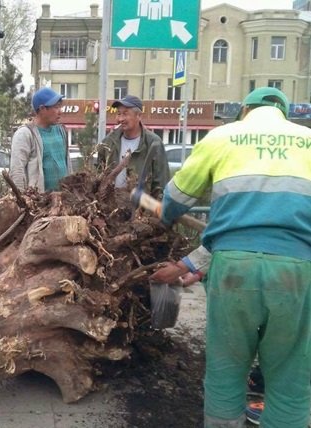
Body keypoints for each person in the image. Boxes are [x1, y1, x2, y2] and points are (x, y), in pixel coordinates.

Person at [156, 87, 311, 427]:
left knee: (226, 367)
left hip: (232, 268)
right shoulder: (307, 140)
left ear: (245, 110)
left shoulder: (222, 137)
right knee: (291, 375)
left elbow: (177, 196)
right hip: (296, 268)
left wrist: (164, 215)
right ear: (284, 113)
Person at [97, 95, 170, 199]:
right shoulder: (109, 142)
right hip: (111, 206)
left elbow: (161, 184)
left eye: (125, 114)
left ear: (139, 116)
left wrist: (155, 206)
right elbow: (99, 176)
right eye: (118, 113)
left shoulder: (153, 143)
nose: (120, 119)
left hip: (140, 207)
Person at [10, 86, 72, 191]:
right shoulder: (25, 134)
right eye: (56, 107)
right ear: (42, 109)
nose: (60, 112)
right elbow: (17, 171)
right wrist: (20, 197)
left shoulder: (61, 131)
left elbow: (68, 166)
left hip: (63, 198)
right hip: (39, 199)